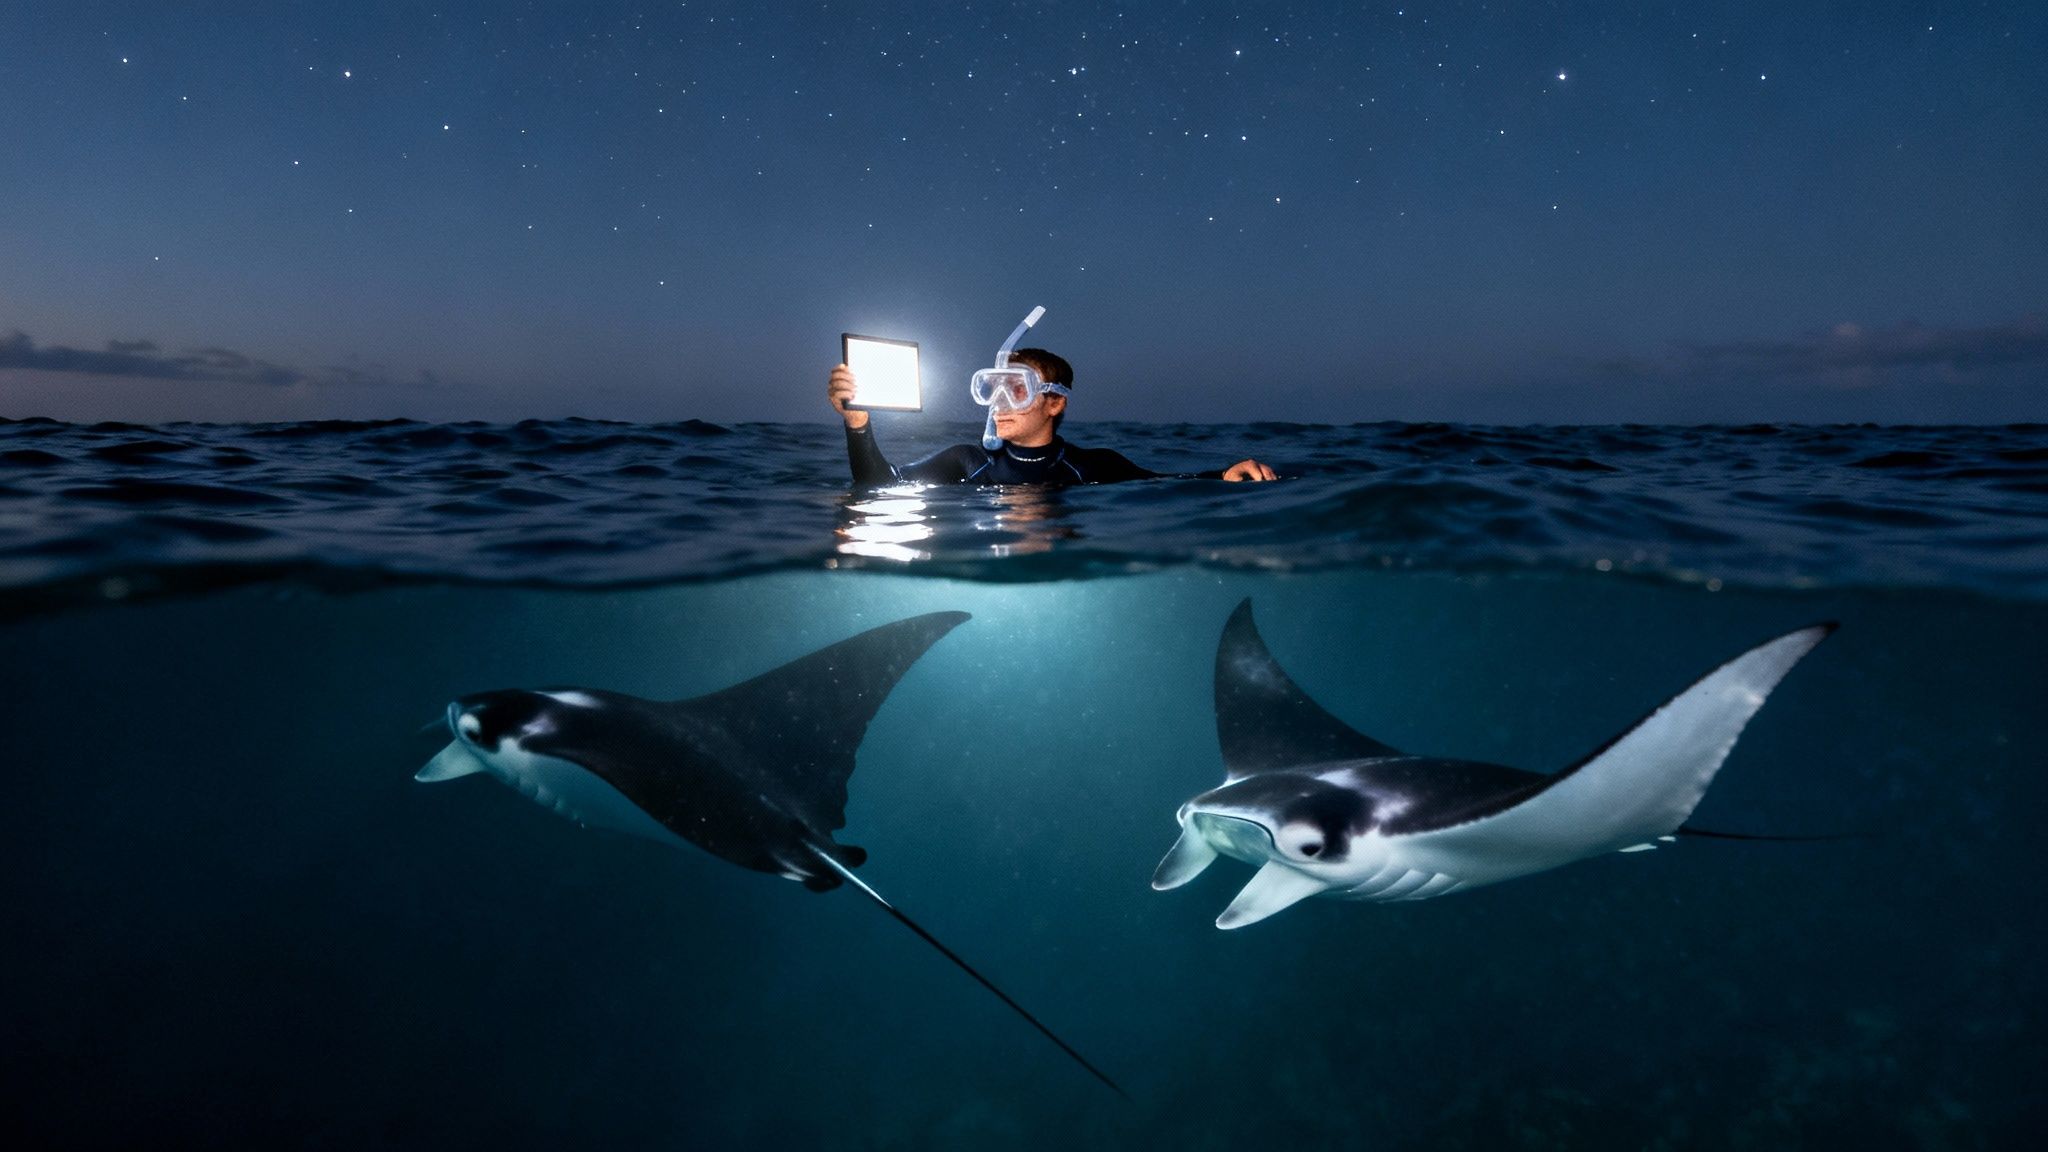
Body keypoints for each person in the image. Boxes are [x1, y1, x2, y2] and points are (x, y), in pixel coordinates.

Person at [827, 348, 1277, 486]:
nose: (999, 400)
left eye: (1016, 387)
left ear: (1055, 402)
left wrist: (1224, 475)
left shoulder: (1092, 467)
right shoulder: (967, 463)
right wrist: (858, 424)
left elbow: (1167, 482)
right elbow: (878, 486)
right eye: (992, 387)